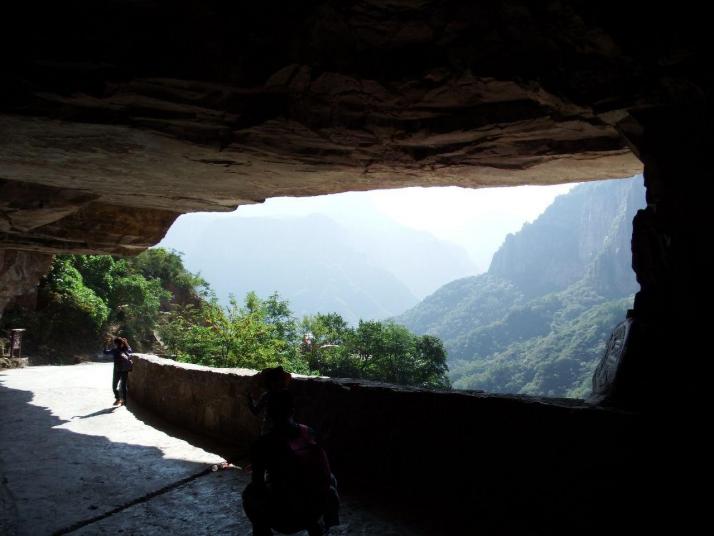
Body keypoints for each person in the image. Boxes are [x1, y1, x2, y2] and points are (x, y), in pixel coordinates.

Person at [243, 390, 340, 536]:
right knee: (329, 478)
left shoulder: (262, 444)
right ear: (292, 411)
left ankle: (262, 531)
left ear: (268, 414)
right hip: (316, 506)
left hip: (284, 516)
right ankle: (318, 525)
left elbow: (258, 485)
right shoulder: (309, 433)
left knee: (250, 493)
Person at [103, 336, 133, 406]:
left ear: (115, 344)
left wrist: (106, 344)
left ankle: (118, 398)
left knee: (114, 386)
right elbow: (130, 350)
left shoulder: (115, 350)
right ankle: (124, 401)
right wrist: (126, 342)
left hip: (117, 370)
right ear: (122, 343)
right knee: (123, 385)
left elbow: (105, 352)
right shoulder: (126, 350)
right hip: (125, 369)